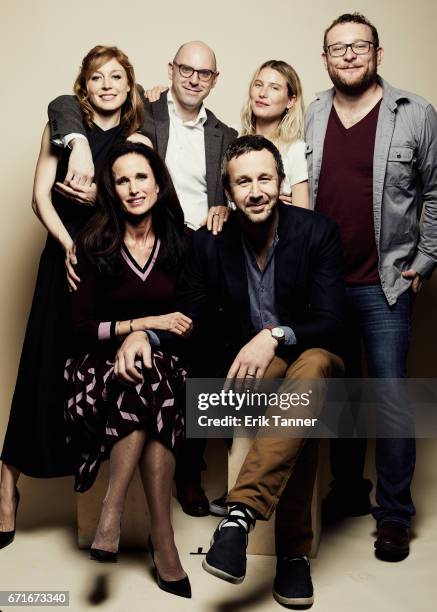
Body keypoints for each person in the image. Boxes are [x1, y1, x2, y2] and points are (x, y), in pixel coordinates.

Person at [115, 135, 345, 606]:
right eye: (243, 182)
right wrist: (144, 334)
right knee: (297, 407)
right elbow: (191, 314)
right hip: (254, 380)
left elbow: (332, 320)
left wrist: (275, 335)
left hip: (316, 356)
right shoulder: (210, 243)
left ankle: (240, 517)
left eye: (264, 178)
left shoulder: (317, 232)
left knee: (314, 366)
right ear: (229, 191)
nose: (255, 190)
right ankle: (290, 554)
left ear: (281, 183)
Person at [46, 40, 238, 516]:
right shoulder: (143, 111)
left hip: (198, 253)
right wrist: (77, 144)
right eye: (186, 70)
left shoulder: (227, 133)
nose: (194, 80)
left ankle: (191, 471)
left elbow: (244, 181)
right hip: (141, 245)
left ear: (215, 79)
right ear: (170, 70)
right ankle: (147, 500)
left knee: (209, 354)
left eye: (205, 73)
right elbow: (67, 103)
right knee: (158, 357)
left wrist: (225, 205)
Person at [0, 45, 150, 549]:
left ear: (129, 86)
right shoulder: (63, 126)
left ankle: (93, 492)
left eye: (115, 77)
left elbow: (138, 201)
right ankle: (6, 488)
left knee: (93, 372)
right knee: (41, 368)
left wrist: (100, 205)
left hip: (109, 266)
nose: (106, 84)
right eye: (96, 77)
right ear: (84, 85)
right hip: (62, 259)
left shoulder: (137, 136)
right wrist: (69, 247)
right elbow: (40, 196)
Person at [305, 12, 437, 559]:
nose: (350, 55)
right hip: (325, 286)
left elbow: (436, 191)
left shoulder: (415, 113)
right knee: (338, 392)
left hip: (385, 283)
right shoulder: (310, 114)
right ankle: (347, 492)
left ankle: (394, 515)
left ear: (378, 54)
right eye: (338, 48)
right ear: (326, 59)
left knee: (388, 397)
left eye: (360, 46)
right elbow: (256, 136)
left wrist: (426, 260)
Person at [65, 140, 192, 598]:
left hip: (162, 366)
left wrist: (144, 337)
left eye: (141, 177)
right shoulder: (92, 244)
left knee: (150, 369)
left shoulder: (182, 242)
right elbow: (79, 331)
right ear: (111, 190)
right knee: (147, 377)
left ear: (158, 184)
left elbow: (187, 323)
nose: (133, 188)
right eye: (122, 180)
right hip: (93, 373)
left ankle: (112, 510)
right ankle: (164, 542)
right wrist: (139, 325)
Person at [240, 59, 309, 208]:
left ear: (291, 101)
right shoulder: (233, 139)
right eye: (258, 85)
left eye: (274, 88)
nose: (262, 93)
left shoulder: (296, 150)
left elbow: (303, 219)